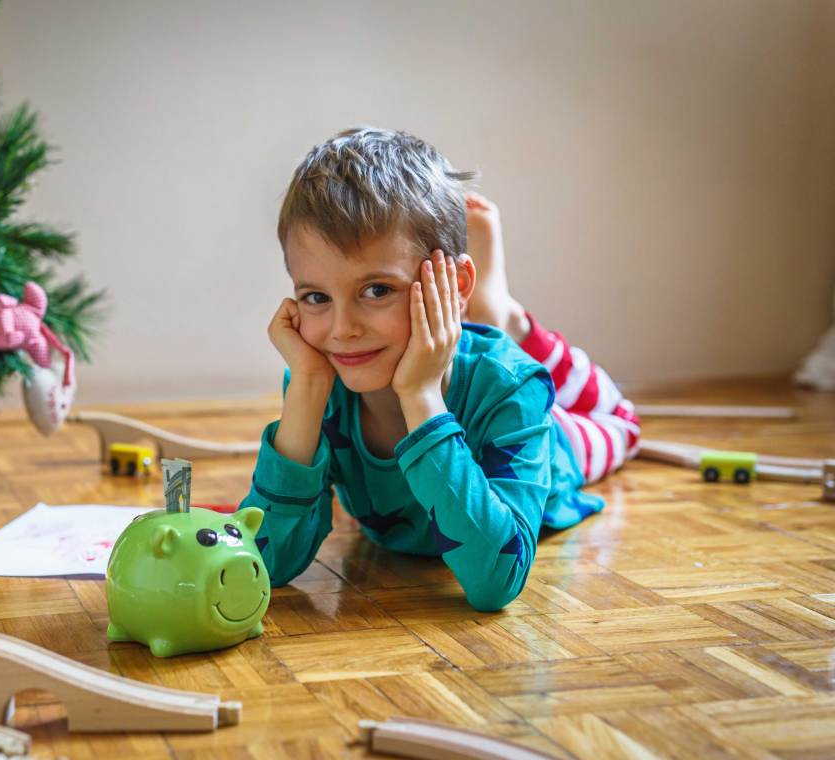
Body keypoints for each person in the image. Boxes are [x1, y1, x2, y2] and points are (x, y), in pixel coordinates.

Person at [238, 127, 640, 611]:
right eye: (316, 297)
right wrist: (304, 389)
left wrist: (422, 394)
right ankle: (491, 312)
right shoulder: (319, 378)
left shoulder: (509, 386)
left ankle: (499, 312)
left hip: (558, 444)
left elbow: (495, 582)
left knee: (621, 423)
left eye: (377, 290)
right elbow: (262, 568)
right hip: (460, 379)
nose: (341, 329)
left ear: (453, 284)